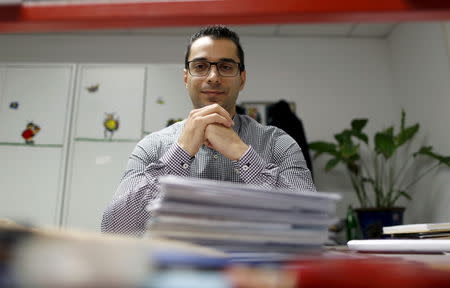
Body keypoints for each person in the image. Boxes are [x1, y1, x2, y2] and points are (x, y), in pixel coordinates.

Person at [101, 26, 315, 236]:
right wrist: (180, 152)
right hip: (177, 269)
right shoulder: (153, 147)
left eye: (226, 67)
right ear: (186, 78)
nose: (213, 76)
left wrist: (241, 153)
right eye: (201, 66)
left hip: (256, 270)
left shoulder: (279, 144)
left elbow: (311, 224)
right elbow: (114, 228)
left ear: (242, 79)